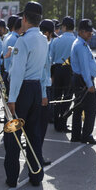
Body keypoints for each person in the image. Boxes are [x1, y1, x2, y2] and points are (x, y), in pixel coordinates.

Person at [5, 1, 49, 188]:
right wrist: (44, 92)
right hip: (36, 89)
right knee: (34, 134)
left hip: (22, 91)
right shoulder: (43, 39)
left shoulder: (22, 40)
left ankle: (12, 177)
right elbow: (45, 69)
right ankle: (36, 175)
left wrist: (11, 99)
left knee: (13, 135)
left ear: (24, 19)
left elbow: (17, 73)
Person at [70, 19, 96, 145]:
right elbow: (84, 68)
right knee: (90, 109)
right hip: (83, 80)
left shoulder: (81, 43)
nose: (90, 34)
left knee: (78, 108)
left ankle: (76, 135)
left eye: (91, 32)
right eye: (88, 32)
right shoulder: (80, 46)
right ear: (81, 31)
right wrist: (89, 84)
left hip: (80, 79)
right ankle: (86, 135)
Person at [49, 16, 76, 132]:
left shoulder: (56, 40)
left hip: (57, 69)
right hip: (69, 70)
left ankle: (56, 122)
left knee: (56, 97)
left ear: (64, 27)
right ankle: (63, 122)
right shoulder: (75, 41)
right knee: (67, 98)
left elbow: (51, 58)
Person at [39, 19, 57, 165]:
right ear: (47, 33)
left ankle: (33, 155)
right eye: (51, 34)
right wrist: (44, 95)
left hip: (34, 88)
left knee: (34, 126)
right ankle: (37, 157)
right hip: (42, 89)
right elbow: (42, 71)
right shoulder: (43, 44)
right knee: (40, 126)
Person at [1, 15, 19, 86]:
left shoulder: (7, 36)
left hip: (7, 72)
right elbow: (15, 56)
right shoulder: (14, 38)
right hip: (10, 74)